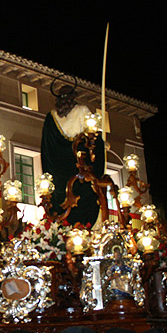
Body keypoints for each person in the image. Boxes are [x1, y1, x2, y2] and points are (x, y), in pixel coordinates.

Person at [41, 78, 105, 226]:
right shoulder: (82, 111)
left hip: (59, 171)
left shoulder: (51, 117)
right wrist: (101, 144)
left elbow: (46, 149)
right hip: (79, 167)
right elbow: (93, 139)